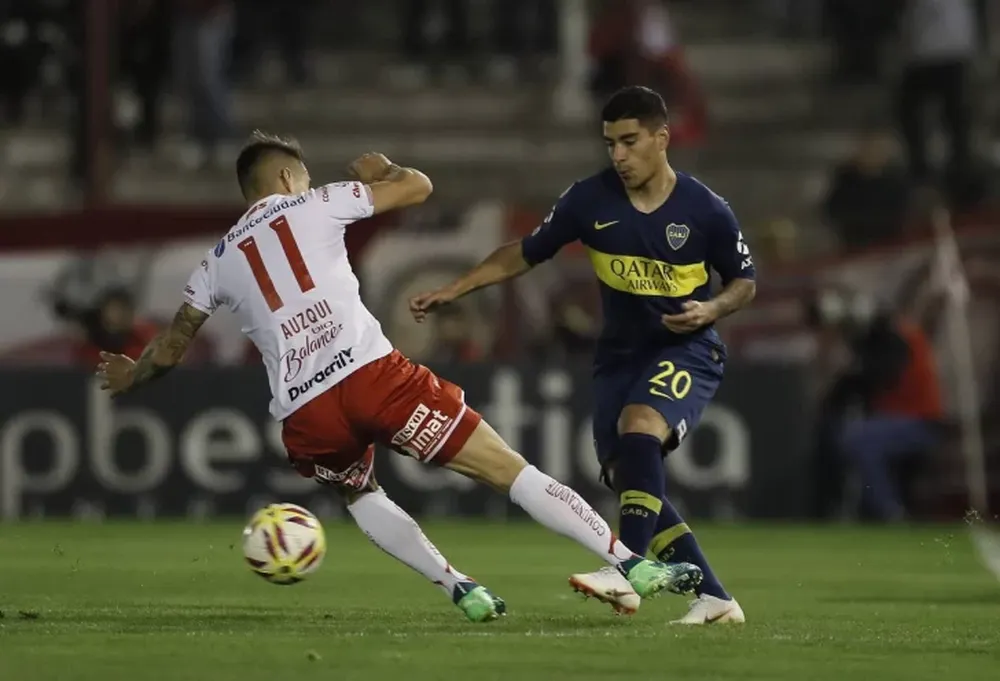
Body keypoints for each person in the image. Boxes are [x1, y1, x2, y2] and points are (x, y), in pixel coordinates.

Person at [96, 131, 702, 623]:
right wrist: (380, 168)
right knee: (507, 470)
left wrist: (133, 376)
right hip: (372, 376)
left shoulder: (215, 262)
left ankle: (458, 587)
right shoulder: (316, 203)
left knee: (359, 493)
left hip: (305, 413)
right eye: (301, 176)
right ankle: (629, 562)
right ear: (286, 180)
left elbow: (173, 347)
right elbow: (417, 187)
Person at [410, 86, 756, 624]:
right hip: (619, 358)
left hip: (688, 348)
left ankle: (626, 572)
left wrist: (711, 310)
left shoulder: (706, 209)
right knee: (628, 475)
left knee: (641, 428)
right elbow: (524, 253)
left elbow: (744, 284)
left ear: (661, 139)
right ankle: (715, 599)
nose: (618, 155)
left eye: (629, 141)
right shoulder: (589, 200)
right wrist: (457, 288)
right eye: (610, 143)